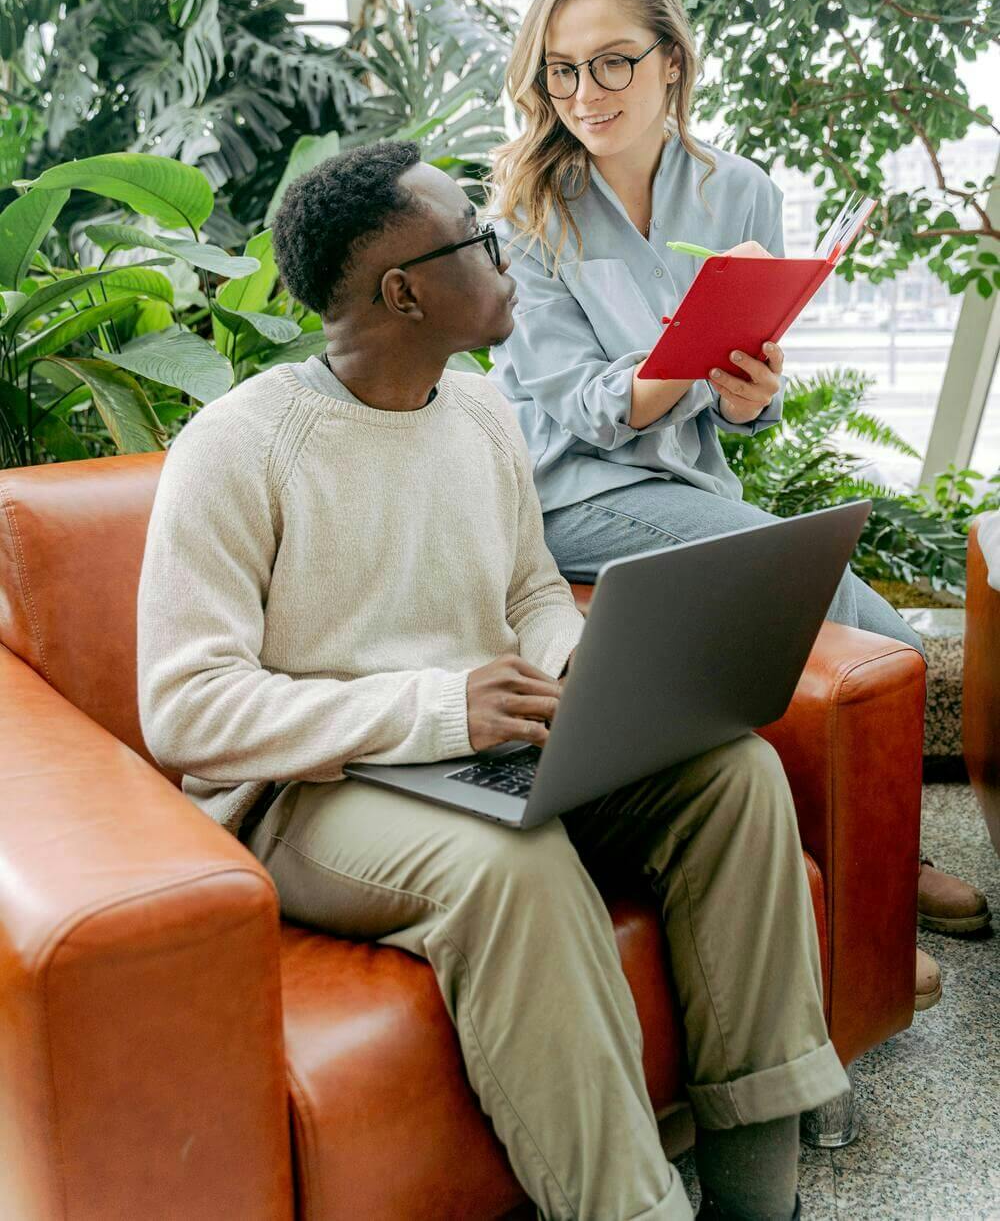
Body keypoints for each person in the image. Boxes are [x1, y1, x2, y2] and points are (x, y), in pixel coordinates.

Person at [137, 140, 855, 1221]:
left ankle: (762, 1193)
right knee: (508, 869)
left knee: (732, 774)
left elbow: (528, 592)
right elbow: (186, 710)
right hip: (310, 792)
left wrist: (577, 668)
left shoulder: (479, 414)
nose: (507, 251)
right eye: (479, 239)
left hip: (482, 754)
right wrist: (437, 705)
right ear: (403, 291)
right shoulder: (238, 448)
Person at [487, 0, 990, 1012]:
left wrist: (748, 394)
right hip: (571, 499)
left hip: (686, 490)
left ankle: (876, 868)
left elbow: (735, 411)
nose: (585, 93)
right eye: (562, 70)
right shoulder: (525, 212)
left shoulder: (738, 193)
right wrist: (678, 373)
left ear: (672, 60)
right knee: (840, 618)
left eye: (613, 62)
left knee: (888, 644)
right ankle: (859, 912)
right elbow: (581, 406)